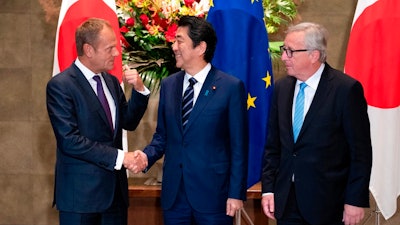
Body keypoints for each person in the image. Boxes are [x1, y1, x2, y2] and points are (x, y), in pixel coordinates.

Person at [133, 16, 248, 225]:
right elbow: (162, 136)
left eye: (179, 40)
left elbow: (239, 146)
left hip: (214, 198)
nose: (173, 46)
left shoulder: (230, 87)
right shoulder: (169, 85)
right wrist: (145, 157)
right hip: (175, 197)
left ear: (200, 47)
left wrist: (236, 193)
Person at [261, 22, 372, 225]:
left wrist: (354, 200)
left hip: (328, 203)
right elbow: (273, 145)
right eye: (283, 50)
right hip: (286, 201)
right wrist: (268, 189)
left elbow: (360, 152)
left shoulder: (346, 90)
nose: (284, 57)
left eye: (290, 51)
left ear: (314, 55)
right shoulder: (282, 88)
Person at [46, 18, 149, 225]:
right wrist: (122, 158)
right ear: (88, 50)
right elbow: (70, 140)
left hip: (115, 198)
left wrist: (139, 90)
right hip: (80, 199)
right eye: (110, 48)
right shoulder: (61, 86)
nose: (116, 54)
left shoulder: (111, 82)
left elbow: (128, 122)